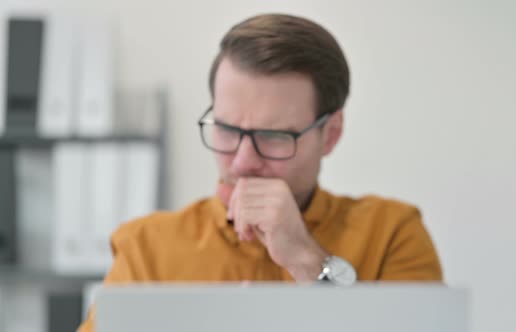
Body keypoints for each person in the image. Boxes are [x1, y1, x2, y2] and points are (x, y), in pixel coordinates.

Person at [77, 13, 442, 332]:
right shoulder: (145, 248)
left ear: (330, 134)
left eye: (273, 136)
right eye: (227, 130)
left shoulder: (393, 232)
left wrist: (306, 259)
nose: (242, 162)